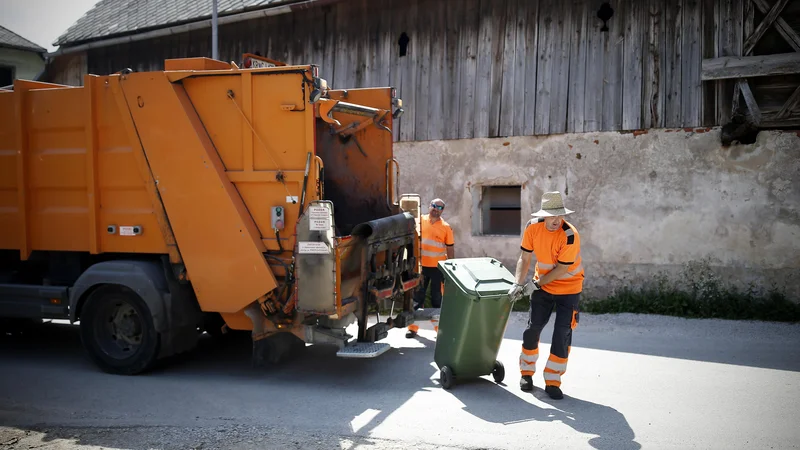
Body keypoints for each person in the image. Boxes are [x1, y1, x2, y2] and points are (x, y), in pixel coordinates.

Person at [507, 191, 584, 400]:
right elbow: (524, 257)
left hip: (569, 289)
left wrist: (535, 284)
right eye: (552, 215)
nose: (557, 220)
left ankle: (552, 381)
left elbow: (561, 270)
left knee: (562, 334)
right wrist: (517, 283)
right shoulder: (532, 227)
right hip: (543, 287)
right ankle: (526, 373)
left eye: (560, 215)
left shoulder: (569, 235)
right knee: (533, 328)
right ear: (544, 215)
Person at [406, 198, 454, 338]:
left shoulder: (446, 227)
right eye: (434, 206)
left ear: (442, 211)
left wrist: (450, 267)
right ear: (429, 206)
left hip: (438, 269)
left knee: (436, 299)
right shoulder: (419, 221)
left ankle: (440, 331)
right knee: (417, 298)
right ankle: (412, 328)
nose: (436, 209)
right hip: (420, 267)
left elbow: (450, 248)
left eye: (440, 207)